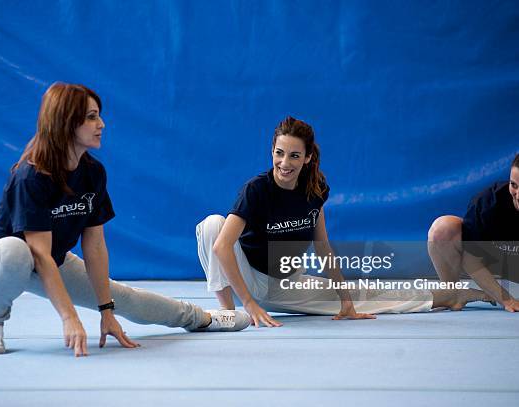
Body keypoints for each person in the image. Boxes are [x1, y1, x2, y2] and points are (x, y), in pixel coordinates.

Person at [0, 82, 250, 357]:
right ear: (66, 122)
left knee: (125, 298)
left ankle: (203, 318)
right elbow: (38, 253)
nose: (101, 124)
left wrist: (107, 310)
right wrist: (70, 317)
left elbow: (95, 246)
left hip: (52, 261)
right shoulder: (32, 176)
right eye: (91, 117)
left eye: (98, 115)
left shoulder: (93, 173)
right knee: (14, 251)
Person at [196, 116, 492, 327]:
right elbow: (222, 247)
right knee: (212, 224)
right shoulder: (256, 190)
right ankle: (228, 315)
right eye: (279, 153)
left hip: (287, 283)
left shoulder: (315, 190)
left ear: (308, 157)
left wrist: (345, 300)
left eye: (294, 155)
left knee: (367, 294)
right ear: (271, 151)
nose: (284, 163)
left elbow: (323, 247)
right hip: (249, 276)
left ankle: (453, 296)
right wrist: (248, 304)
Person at [428, 153, 519, 312]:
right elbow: (471, 259)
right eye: (514, 185)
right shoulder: (489, 203)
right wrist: (506, 299)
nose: (518, 195)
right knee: (443, 228)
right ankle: (453, 294)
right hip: (496, 260)